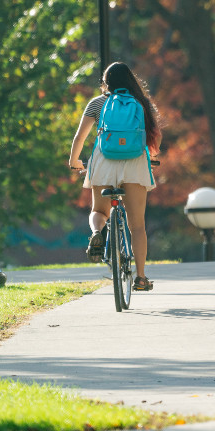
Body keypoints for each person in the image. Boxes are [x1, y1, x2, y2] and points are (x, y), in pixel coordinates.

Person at [68, 61, 162, 292]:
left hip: (104, 161)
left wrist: (74, 161)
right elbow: (155, 137)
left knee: (99, 211)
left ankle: (97, 233)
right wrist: (150, 155)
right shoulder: (142, 103)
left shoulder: (97, 103)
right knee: (137, 225)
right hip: (135, 163)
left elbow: (80, 137)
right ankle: (140, 277)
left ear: (105, 83)